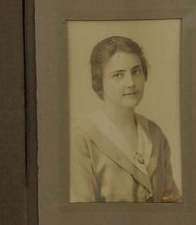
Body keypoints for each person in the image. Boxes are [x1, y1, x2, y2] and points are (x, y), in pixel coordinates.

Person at [70, 36, 181, 202]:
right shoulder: (83, 139)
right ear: (99, 82)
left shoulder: (155, 134)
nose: (131, 82)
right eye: (118, 75)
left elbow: (172, 200)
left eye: (136, 71)